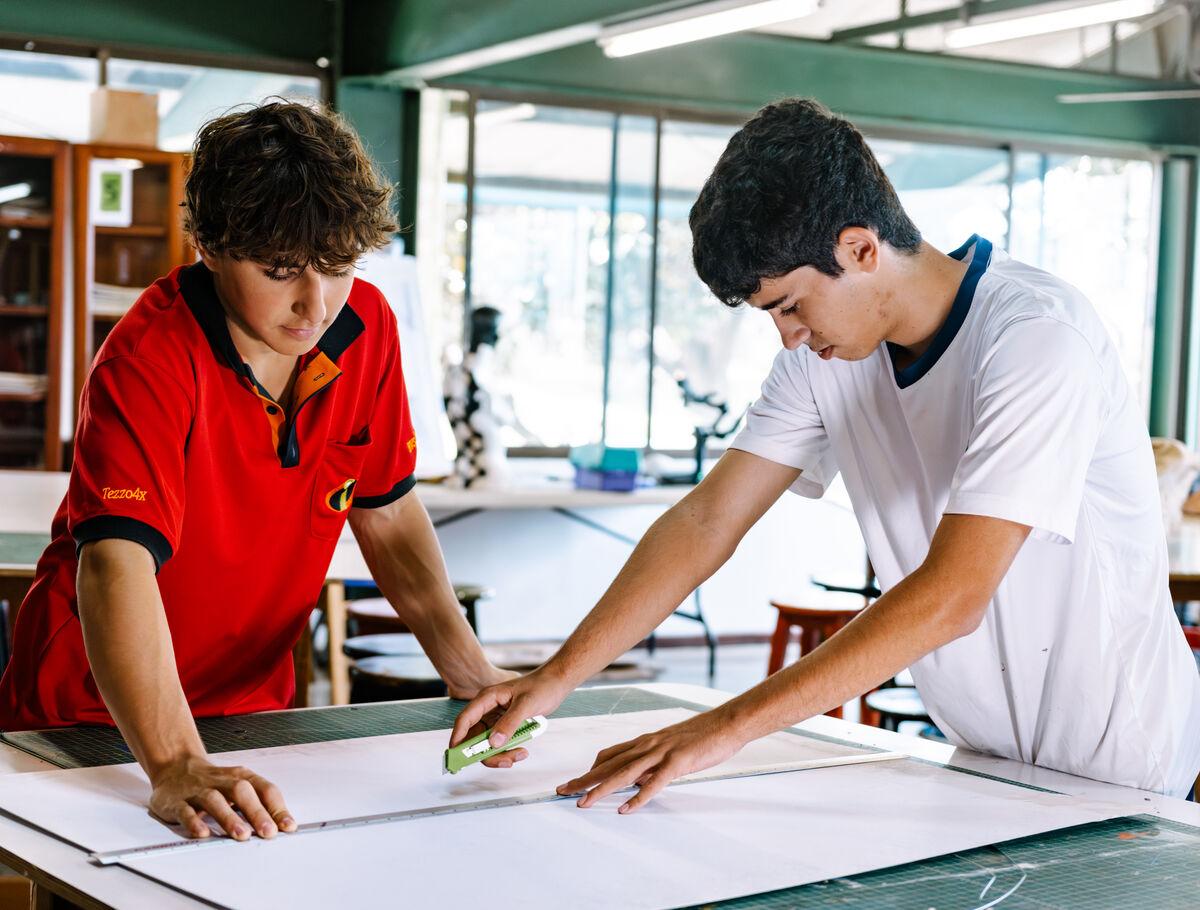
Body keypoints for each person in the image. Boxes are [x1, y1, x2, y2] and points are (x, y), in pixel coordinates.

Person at [451, 98, 1200, 809]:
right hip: (987, 756)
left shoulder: (1036, 339)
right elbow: (708, 519)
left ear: (860, 248)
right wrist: (555, 679)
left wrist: (720, 729)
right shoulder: (824, 362)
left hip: (1124, 764)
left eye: (789, 305)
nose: (787, 335)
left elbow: (953, 597)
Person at [0, 101, 513, 839]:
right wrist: (173, 760)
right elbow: (115, 566)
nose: (314, 304)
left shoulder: (365, 329)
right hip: (92, 721)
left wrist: (471, 674)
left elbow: (389, 512)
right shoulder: (148, 357)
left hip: (251, 714)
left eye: (337, 267)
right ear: (208, 246)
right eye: (280, 272)